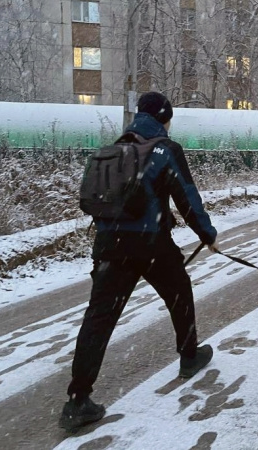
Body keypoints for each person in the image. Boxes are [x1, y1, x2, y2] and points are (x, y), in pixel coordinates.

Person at [60, 92, 218, 431]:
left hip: (109, 246)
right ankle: (189, 356)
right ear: (163, 117)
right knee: (179, 292)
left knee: (99, 319)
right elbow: (187, 198)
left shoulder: (115, 149)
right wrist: (207, 234)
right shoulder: (165, 149)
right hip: (150, 244)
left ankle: (78, 400)